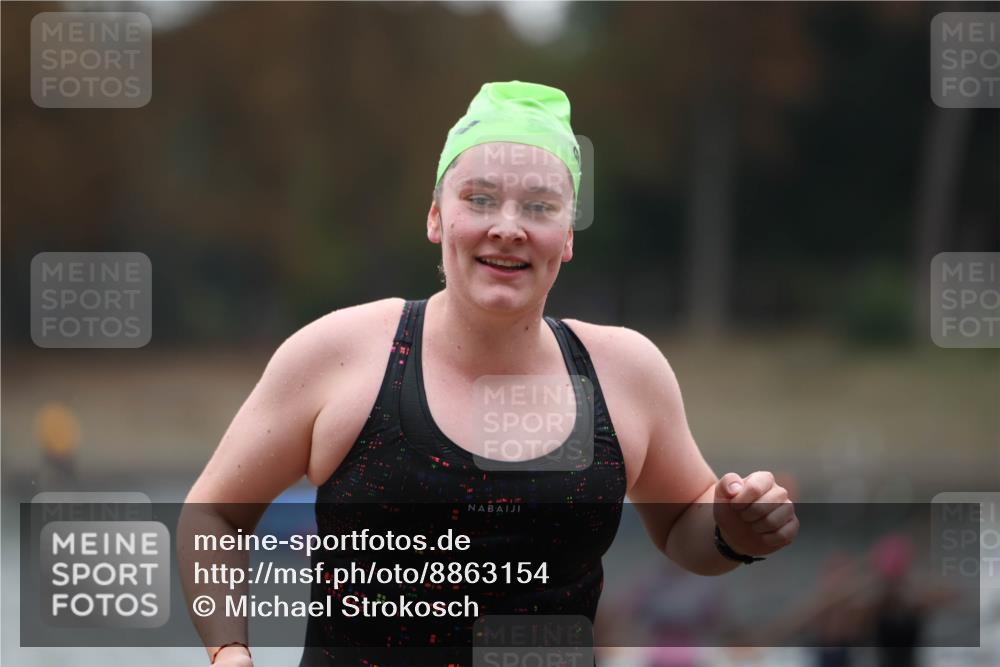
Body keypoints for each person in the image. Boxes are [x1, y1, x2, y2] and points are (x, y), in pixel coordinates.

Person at [181, 80, 799, 666]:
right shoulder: (342, 354)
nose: (508, 225)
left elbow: (682, 524)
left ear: (566, 238)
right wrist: (229, 651)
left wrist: (732, 528)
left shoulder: (626, 373)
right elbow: (213, 514)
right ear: (435, 218)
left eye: (539, 206)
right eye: (479, 199)